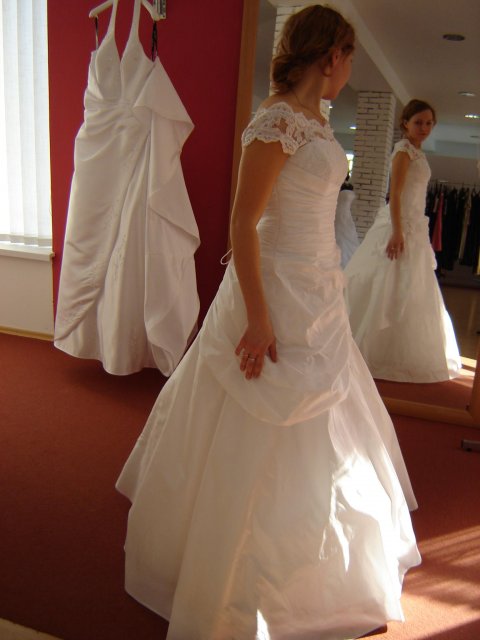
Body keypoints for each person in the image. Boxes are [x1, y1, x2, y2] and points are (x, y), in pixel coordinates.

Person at [116, 6, 420, 639]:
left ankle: (313, 565)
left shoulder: (318, 120)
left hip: (319, 290)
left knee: (328, 425)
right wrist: (258, 318)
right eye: (349, 54)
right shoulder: (276, 119)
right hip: (274, 289)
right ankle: (228, 574)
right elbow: (242, 222)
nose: (350, 66)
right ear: (330, 55)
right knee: (252, 419)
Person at [344, 100, 462, 382]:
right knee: (386, 281)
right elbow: (394, 194)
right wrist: (397, 231)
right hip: (400, 225)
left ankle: (395, 352)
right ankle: (369, 348)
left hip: (415, 226)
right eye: (418, 122)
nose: (424, 128)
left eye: (429, 123)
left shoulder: (418, 153)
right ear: (405, 123)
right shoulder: (403, 150)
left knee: (410, 286)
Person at [335, 175, 359, 268]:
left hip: (345, 213)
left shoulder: (345, 186)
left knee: (344, 235)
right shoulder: (339, 186)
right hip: (339, 213)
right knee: (339, 235)